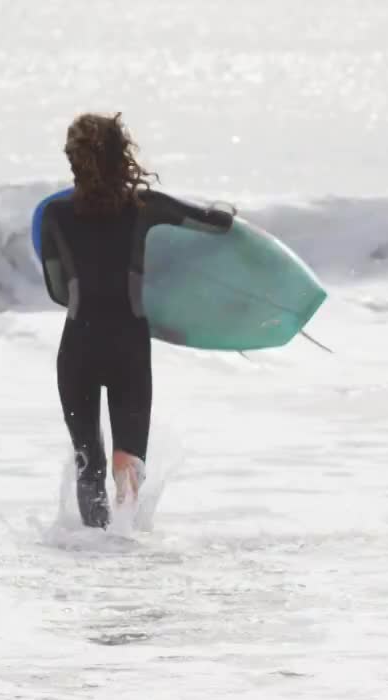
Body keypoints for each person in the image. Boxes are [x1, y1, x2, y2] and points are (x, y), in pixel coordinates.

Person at [37, 112, 234, 529]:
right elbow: (214, 223)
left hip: (79, 346)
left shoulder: (55, 215)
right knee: (127, 462)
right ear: (122, 155)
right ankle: (124, 548)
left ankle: (95, 546)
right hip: (128, 345)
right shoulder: (145, 208)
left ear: (73, 160)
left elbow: (57, 290)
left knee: (88, 460)